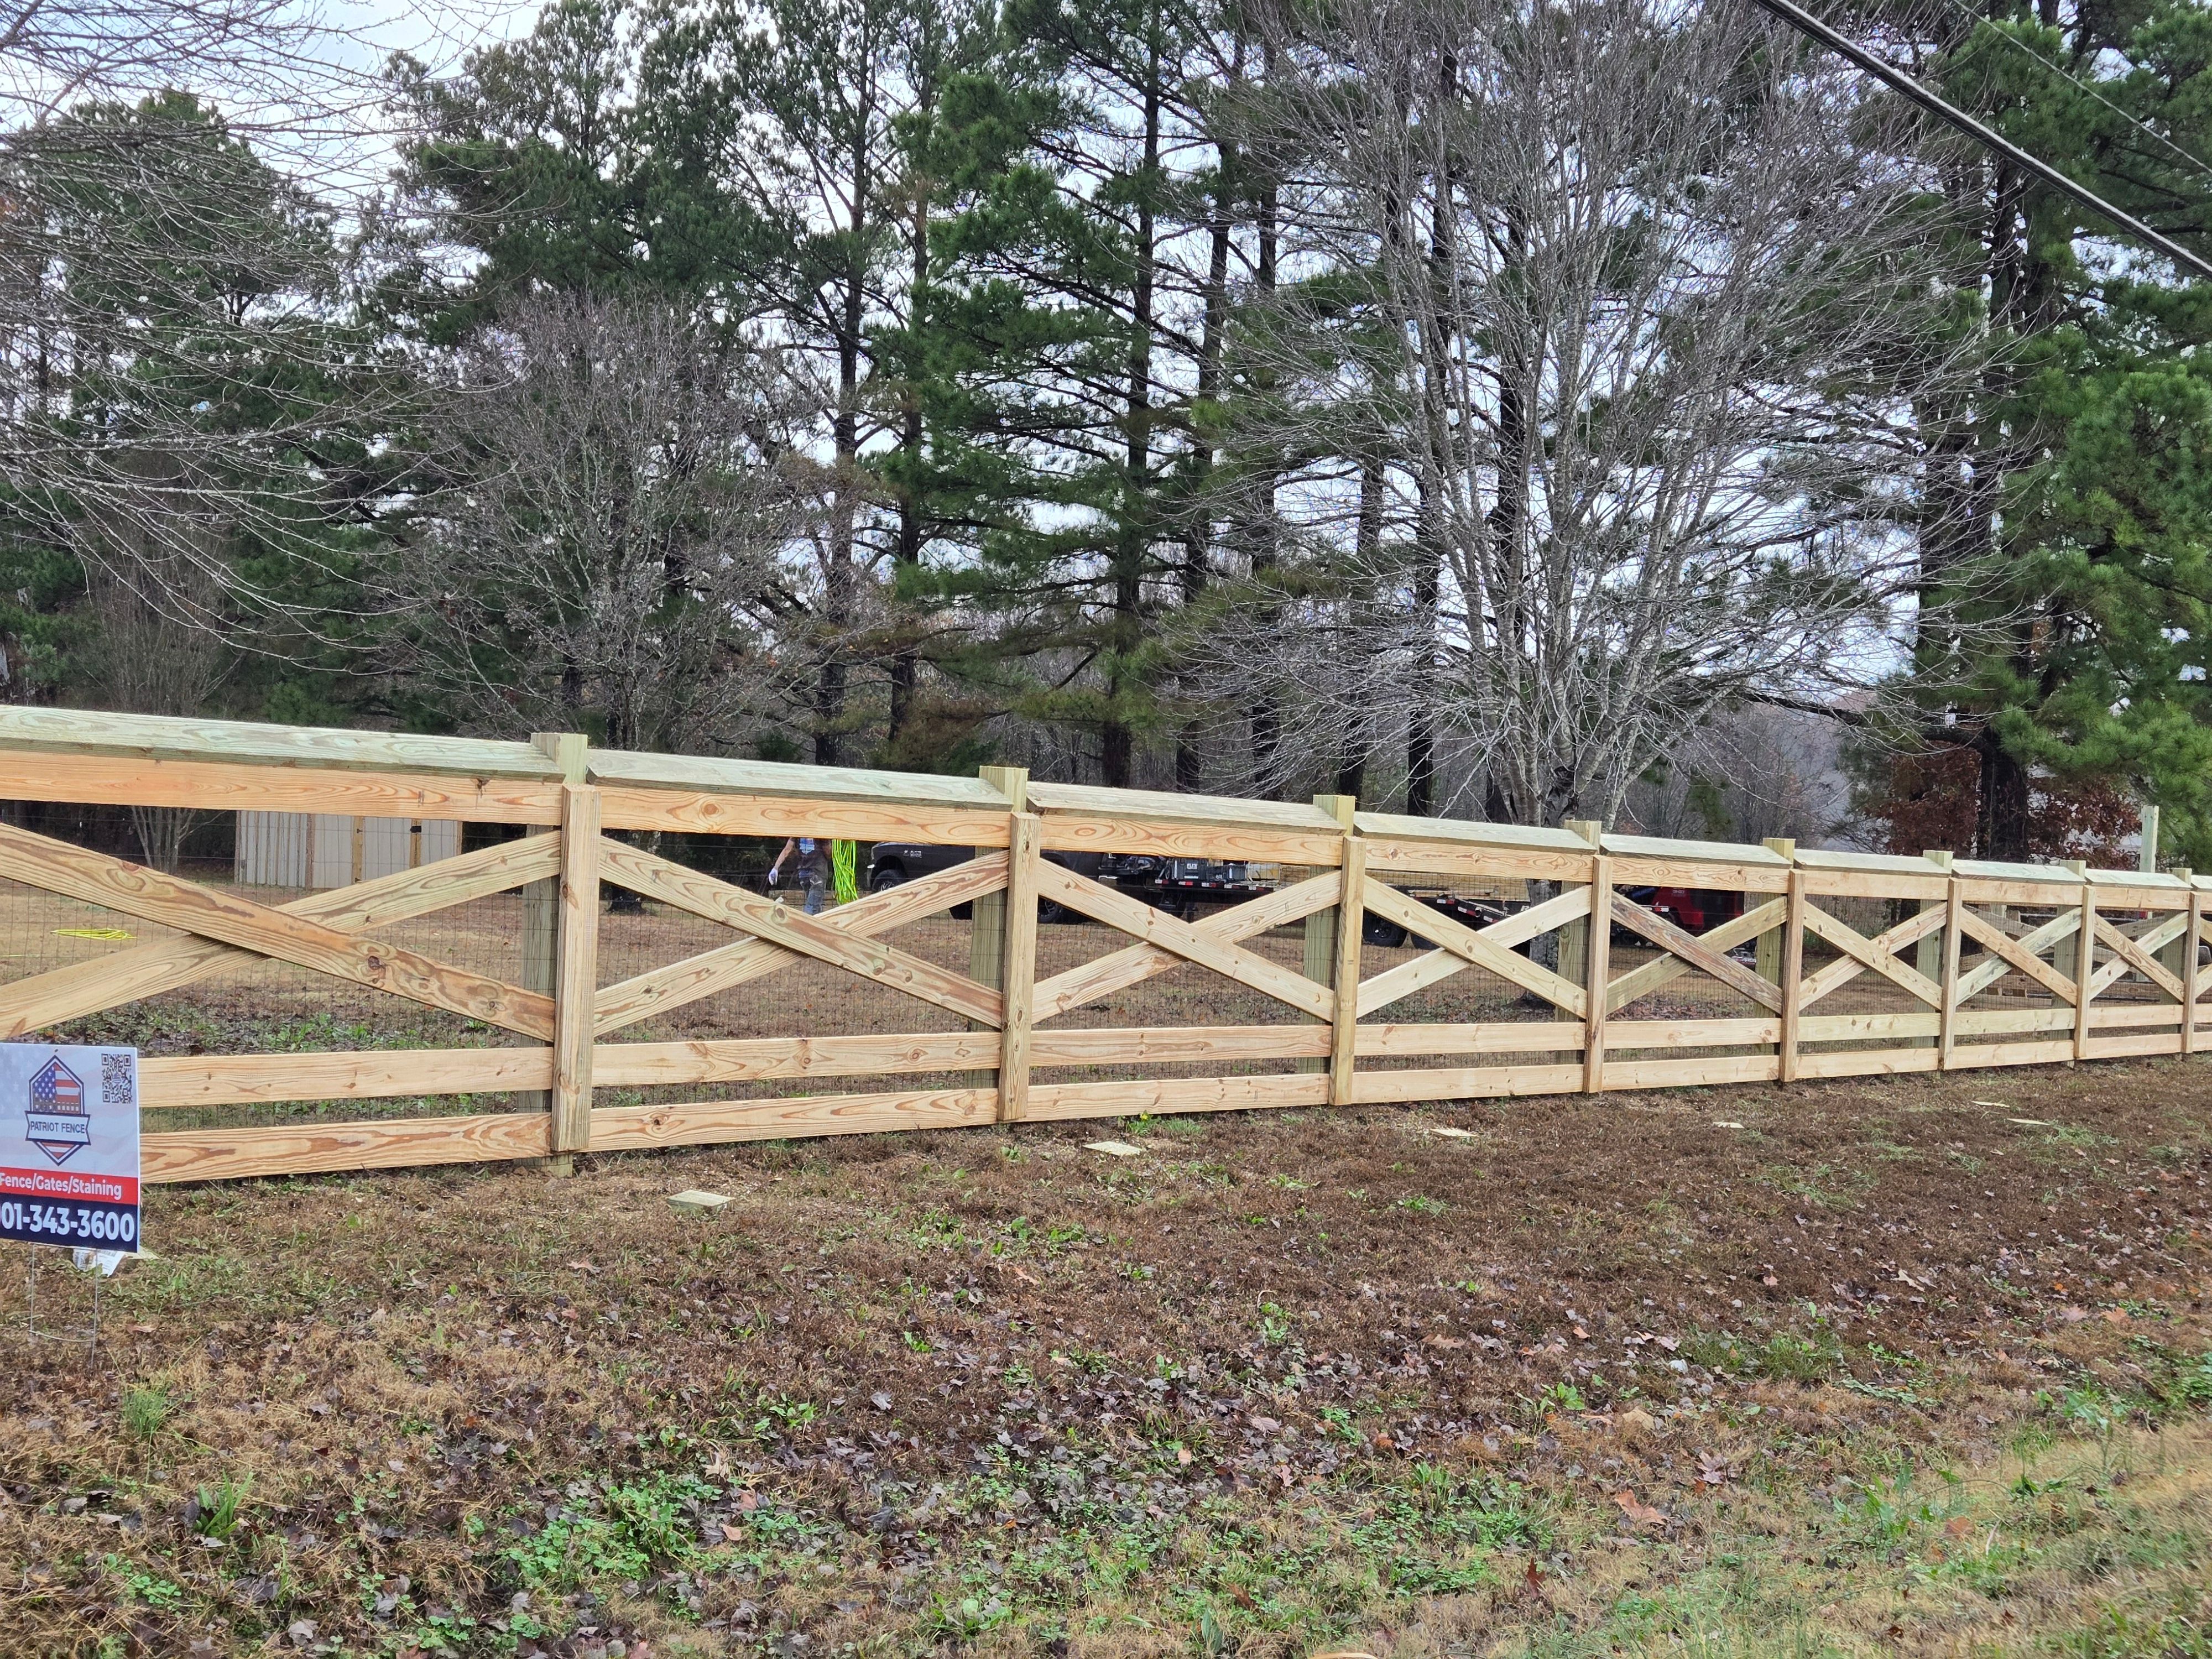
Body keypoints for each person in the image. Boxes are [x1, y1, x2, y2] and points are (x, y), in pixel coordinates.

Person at [767, 836, 832, 915]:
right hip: (818, 873)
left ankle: (810, 923)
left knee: (811, 903)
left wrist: (776, 868)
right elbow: (828, 853)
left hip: (803, 874)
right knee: (813, 907)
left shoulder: (798, 832)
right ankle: (807, 925)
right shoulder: (820, 831)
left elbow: (787, 850)